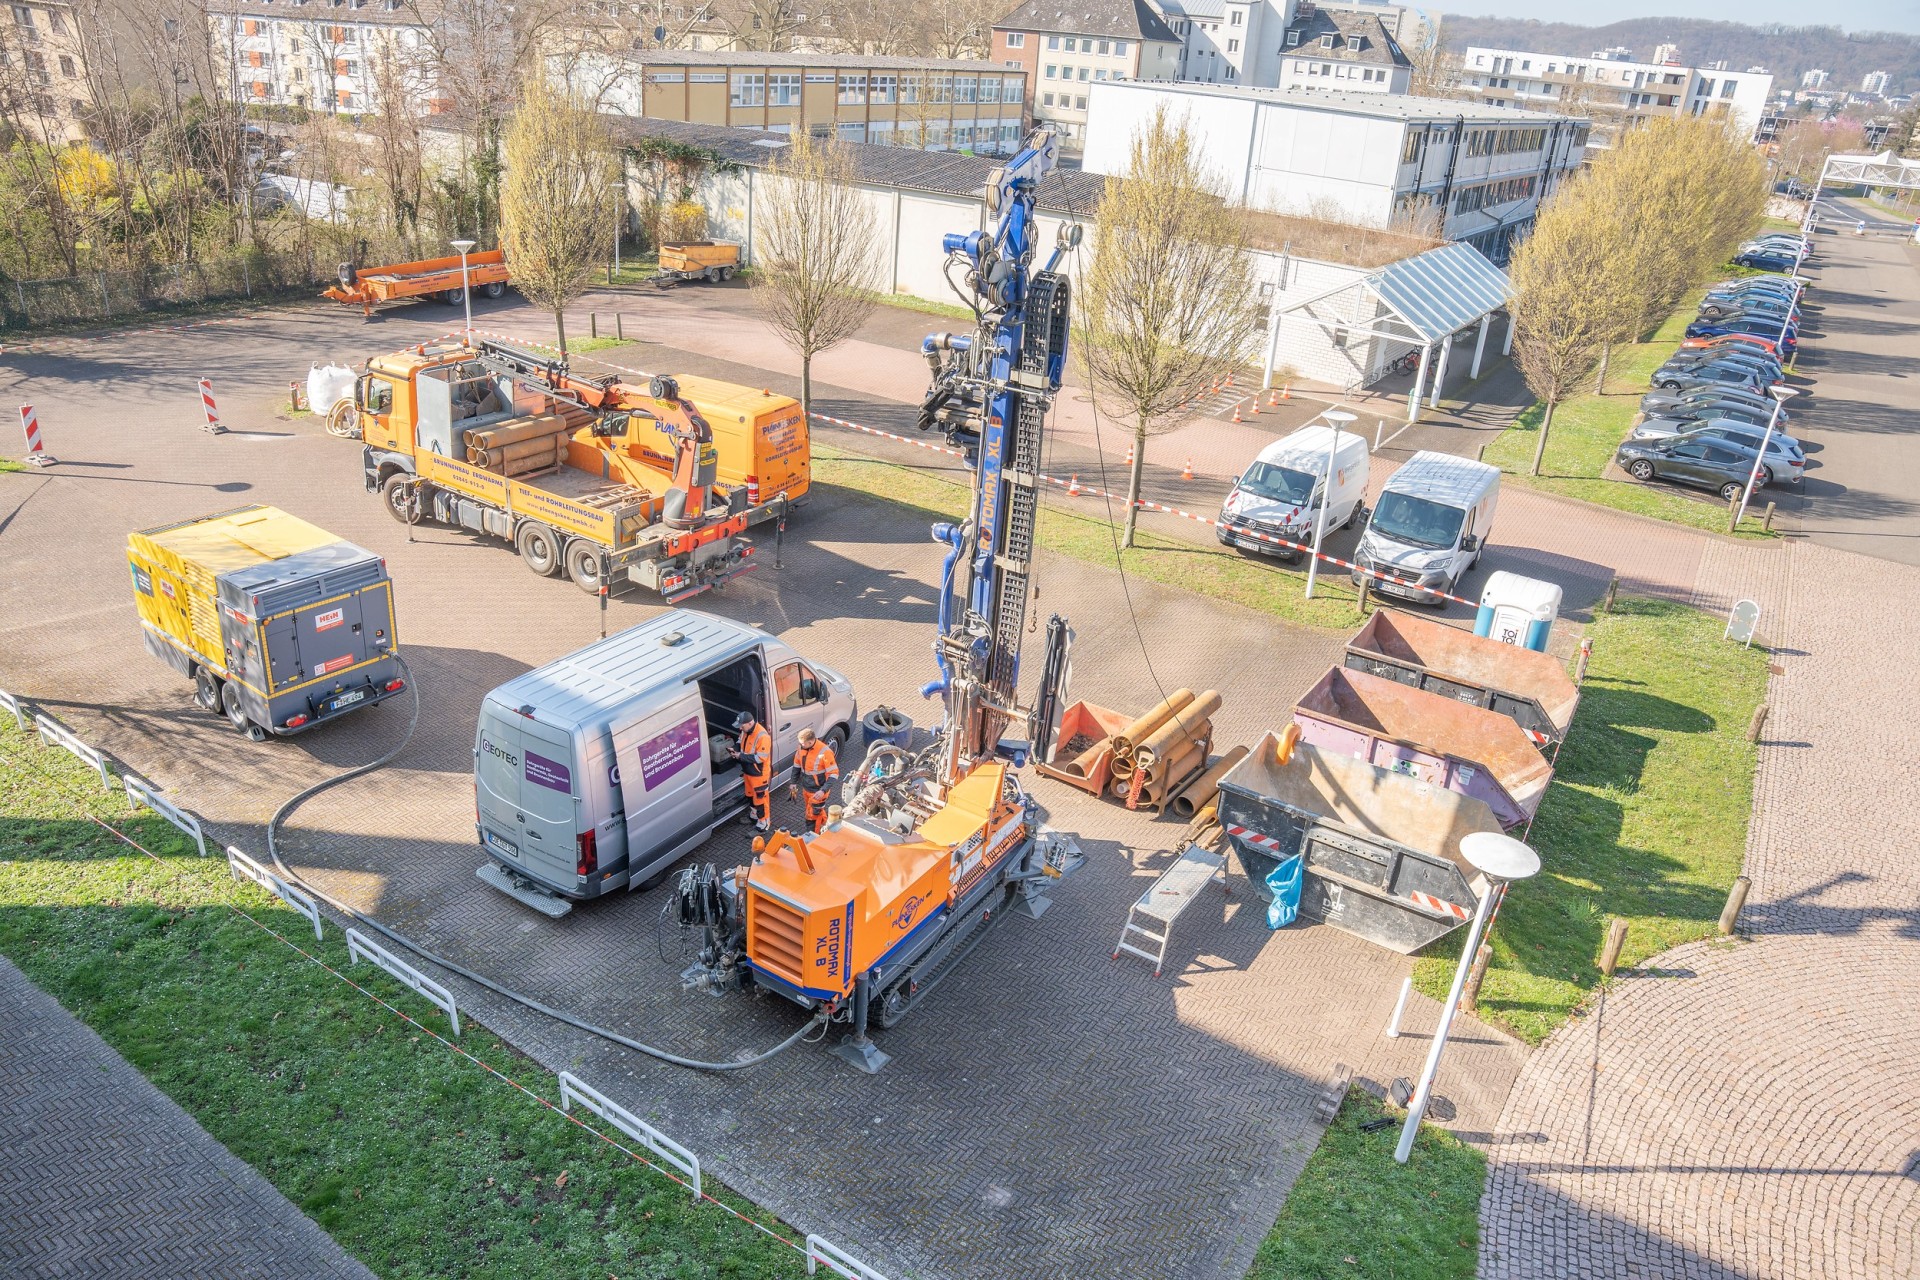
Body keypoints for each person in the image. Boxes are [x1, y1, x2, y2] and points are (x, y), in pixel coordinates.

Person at [792, 728, 840, 834]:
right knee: (814, 811)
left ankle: (812, 836)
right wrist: (793, 782)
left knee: (812, 816)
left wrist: (823, 790)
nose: (800, 746)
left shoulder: (825, 752)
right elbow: (796, 765)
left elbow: (833, 774)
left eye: (802, 744)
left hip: (818, 792)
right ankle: (827, 828)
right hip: (807, 789)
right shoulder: (802, 748)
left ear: (810, 742)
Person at [732, 711, 771, 832]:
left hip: (759, 775)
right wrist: (734, 749)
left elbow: (760, 758)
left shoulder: (762, 736)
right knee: (750, 796)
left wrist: (740, 756)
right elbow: (740, 742)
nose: (740, 728)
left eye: (742, 726)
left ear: (750, 723)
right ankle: (754, 816)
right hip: (748, 772)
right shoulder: (745, 730)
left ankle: (763, 823)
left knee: (760, 799)